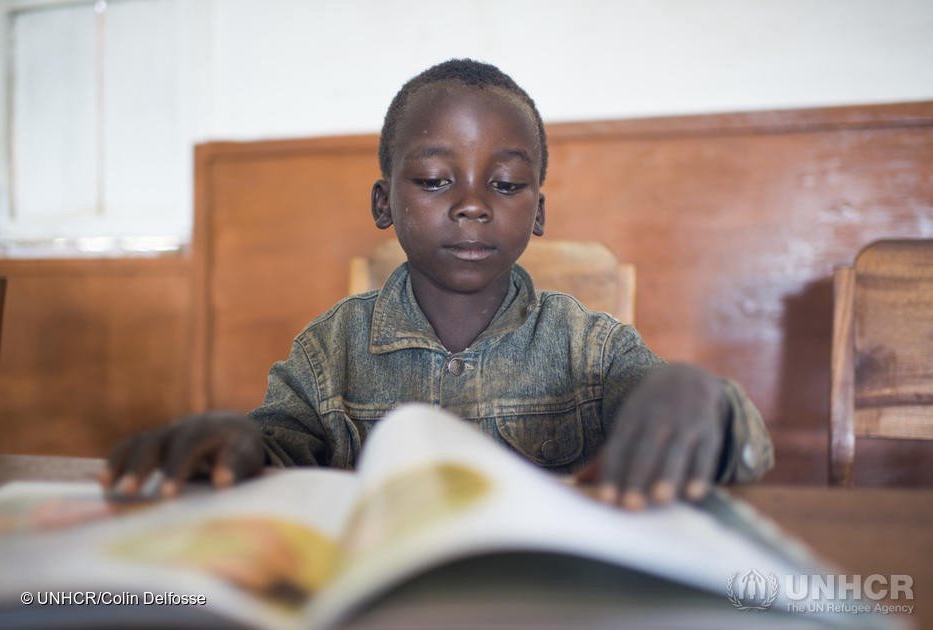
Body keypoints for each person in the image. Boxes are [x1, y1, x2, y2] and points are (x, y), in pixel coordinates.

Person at [102, 59, 773, 510]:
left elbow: (734, 451)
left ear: (537, 212)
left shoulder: (591, 348)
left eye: (506, 184)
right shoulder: (329, 350)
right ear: (383, 203)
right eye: (433, 180)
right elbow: (272, 454)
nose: (473, 204)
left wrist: (704, 402)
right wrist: (238, 445)